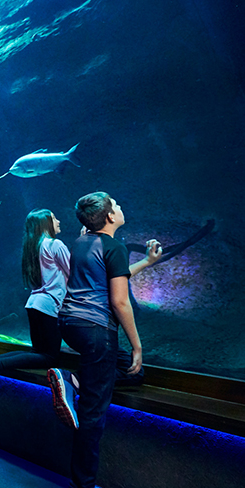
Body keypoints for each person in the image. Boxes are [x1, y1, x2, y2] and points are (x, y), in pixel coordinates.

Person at [48, 192, 161, 488]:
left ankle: (78, 381)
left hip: (70, 324)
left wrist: (147, 263)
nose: (121, 206)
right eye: (117, 204)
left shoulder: (82, 242)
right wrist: (137, 345)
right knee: (93, 413)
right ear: (110, 217)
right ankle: (84, 483)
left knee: (134, 373)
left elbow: (113, 276)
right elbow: (120, 301)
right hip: (96, 330)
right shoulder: (114, 246)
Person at [0, 209, 69, 396]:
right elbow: (74, 273)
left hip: (34, 304)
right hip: (48, 305)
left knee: (38, 352)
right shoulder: (55, 245)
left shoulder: (34, 245)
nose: (59, 221)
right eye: (54, 218)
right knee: (49, 357)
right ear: (45, 223)